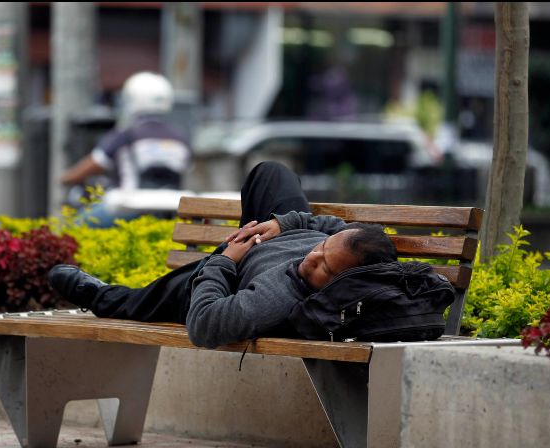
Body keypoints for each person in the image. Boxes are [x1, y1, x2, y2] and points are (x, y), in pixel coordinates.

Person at [48, 161, 397, 348]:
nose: (311, 258)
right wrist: (283, 224)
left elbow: (204, 327)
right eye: (321, 249)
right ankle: (260, 230)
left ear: (340, 285)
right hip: (267, 236)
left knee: (150, 299)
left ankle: (101, 296)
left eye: (323, 267)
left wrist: (225, 261)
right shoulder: (359, 250)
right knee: (273, 173)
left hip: (232, 273)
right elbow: (339, 229)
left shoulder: (274, 299)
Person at [60, 71, 191, 226]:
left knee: (77, 225)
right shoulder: (180, 138)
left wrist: (65, 178)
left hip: (131, 207)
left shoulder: (125, 135)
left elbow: (90, 166)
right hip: (171, 209)